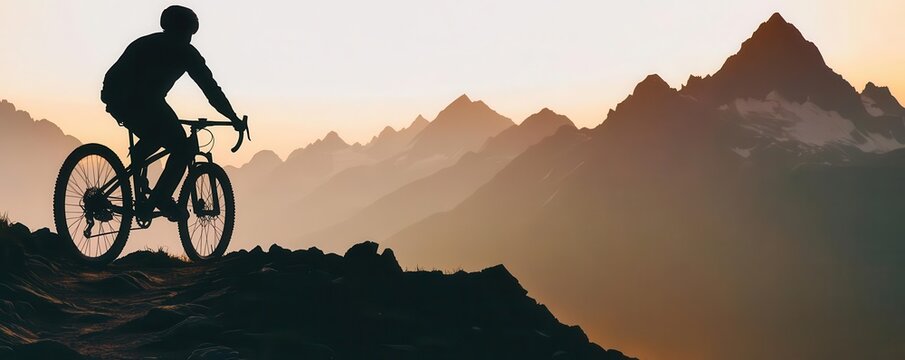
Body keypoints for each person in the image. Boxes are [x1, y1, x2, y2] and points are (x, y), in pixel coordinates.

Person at [101, 5, 245, 221]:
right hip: (143, 99)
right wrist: (233, 118)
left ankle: (141, 161)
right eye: (189, 33)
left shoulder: (146, 41)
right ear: (185, 31)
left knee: (157, 133)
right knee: (182, 147)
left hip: (116, 97)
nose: (190, 38)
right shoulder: (184, 51)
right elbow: (211, 89)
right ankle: (161, 197)